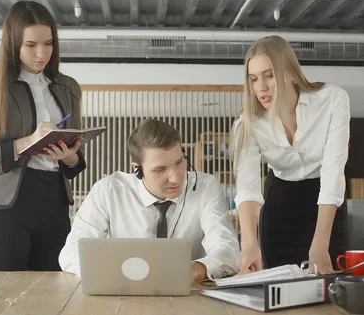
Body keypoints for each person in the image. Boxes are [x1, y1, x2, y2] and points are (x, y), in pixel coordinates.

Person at [0, 1, 86, 271]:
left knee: (54, 302)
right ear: (12, 42)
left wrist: (71, 156)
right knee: (1, 306)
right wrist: (27, 142)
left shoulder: (68, 88)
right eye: (31, 45)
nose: (42, 53)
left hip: (55, 207)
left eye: (49, 43)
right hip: (4, 212)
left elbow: (75, 160)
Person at [58, 118, 240, 281]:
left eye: (179, 162)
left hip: (189, 293)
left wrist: (197, 269)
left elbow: (227, 249)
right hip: (124, 292)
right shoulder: (108, 190)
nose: (176, 178)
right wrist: (109, 274)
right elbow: (72, 252)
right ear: (138, 170)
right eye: (160, 169)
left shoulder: (205, 186)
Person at [231, 35, 349, 275]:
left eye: (269, 75)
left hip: (326, 204)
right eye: (253, 79)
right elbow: (248, 188)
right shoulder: (247, 124)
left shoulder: (332, 100)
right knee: (279, 286)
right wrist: (249, 244)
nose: (261, 88)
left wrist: (320, 243)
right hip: (281, 203)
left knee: (328, 285)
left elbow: (332, 171)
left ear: (292, 73)